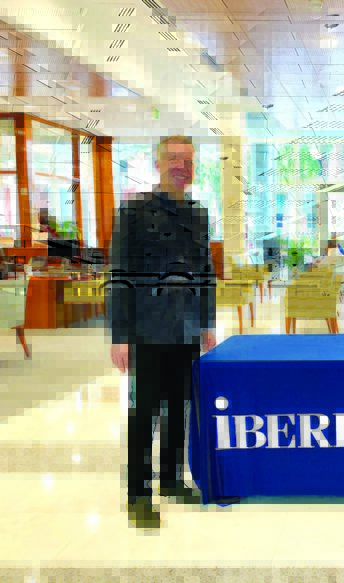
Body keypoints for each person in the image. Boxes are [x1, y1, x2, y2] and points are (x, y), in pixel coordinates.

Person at [107, 135, 217, 529]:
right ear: (158, 163)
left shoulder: (198, 213)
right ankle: (138, 494)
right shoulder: (134, 211)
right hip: (147, 329)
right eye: (174, 158)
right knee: (145, 413)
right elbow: (120, 272)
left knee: (179, 408)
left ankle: (171, 480)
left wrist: (207, 323)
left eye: (187, 160)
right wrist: (120, 334)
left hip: (186, 328)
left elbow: (205, 270)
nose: (181, 167)